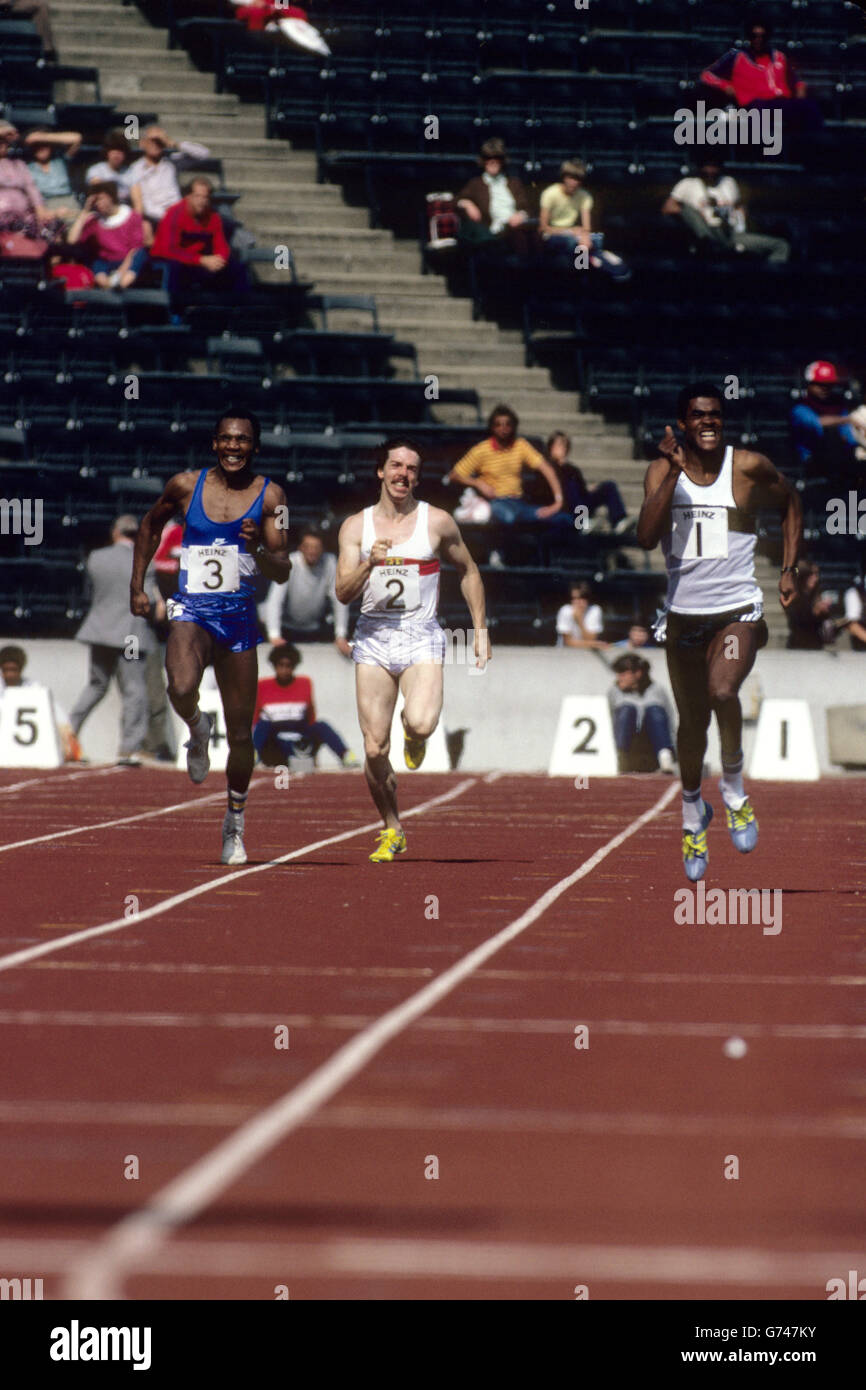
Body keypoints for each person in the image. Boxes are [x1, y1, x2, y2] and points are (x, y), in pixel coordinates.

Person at [636, 383, 802, 881]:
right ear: (682, 423)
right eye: (698, 415)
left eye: (716, 415)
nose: (708, 422)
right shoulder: (662, 471)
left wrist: (790, 569)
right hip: (684, 617)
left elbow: (792, 499)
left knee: (722, 689)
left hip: (737, 610)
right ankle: (692, 816)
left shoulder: (747, 467)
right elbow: (645, 537)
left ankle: (733, 789)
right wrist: (672, 475)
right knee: (691, 726)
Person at [130, 407, 291, 865]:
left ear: (255, 447)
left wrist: (258, 545)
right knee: (179, 687)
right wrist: (136, 585)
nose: (234, 447)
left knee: (241, 734)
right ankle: (198, 729)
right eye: (226, 439)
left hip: (238, 621)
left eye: (242, 440)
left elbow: (283, 570)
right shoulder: (185, 486)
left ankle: (234, 823)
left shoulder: (272, 496)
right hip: (192, 611)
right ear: (214, 443)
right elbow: (148, 525)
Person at [336, 438, 490, 862]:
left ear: (418, 478)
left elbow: (469, 569)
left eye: (411, 468)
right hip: (373, 637)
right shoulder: (355, 527)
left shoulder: (436, 522)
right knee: (372, 749)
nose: (403, 474)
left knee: (421, 724)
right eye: (396, 466)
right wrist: (370, 562)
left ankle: (412, 732)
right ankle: (392, 827)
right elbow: (342, 592)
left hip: (421, 634)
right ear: (381, 472)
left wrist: (480, 629)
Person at [69, 515, 164, 766]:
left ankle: (68, 735)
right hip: (130, 635)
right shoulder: (145, 560)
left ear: (115, 532)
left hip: (100, 632)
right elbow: (149, 602)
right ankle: (128, 748)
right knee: (134, 689)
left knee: (96, 686)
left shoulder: (96, 558)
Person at [699, 14, 822, 135]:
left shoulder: (779, 57)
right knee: (761, 116)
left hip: (780, 102)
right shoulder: (736, 56)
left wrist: (800, 87)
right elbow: (707, 75)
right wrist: (725, 86)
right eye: (754, 36)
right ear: (749, 37)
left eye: (763, 36)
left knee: (810, 107)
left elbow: (795, 81)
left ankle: (813, 149)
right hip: (754, 104)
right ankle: (767, 154)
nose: (759, 39)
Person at [445, 405, 566, 528]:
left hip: (518, 502)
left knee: (561, 519)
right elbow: (453, 475)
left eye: (507, 424)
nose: (503, 429)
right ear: (492, 427)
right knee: (509, 517)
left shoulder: (520, 445)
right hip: (496, 502)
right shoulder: (481, 450)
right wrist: (477, 483)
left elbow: (547, 470)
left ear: (513, 426)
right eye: (498, 425)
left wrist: (558, 502)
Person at [662, 159, 790, 264]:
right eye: (707, 166)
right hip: (706, 232)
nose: (711, 170)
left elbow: (739, 206)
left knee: (781, 246)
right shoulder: (688, 184)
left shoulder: (728, 182)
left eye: (714, 167)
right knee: (686, 209)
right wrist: (697, 215)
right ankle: (709, 245)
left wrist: (741, 219)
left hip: (731, 234)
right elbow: (668, 208)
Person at [253, 644, 357, 768]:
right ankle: (252, 757)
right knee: (263, 724)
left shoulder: (304, 683)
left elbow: (310, 718)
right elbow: (255, 721)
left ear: (294, 666)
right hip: (275, 741)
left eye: (289, 666)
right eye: (281, 665)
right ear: (274, 665)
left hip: (299, 738)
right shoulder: (263, 686)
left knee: (322, 725)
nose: (285, 670)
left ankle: (346, 756)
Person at [150, 176, 249, 299]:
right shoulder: (174, 214)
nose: (201, 201)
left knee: (237, 268)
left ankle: (238, 309)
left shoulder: (213, 217)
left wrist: (219, 260)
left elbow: (221, 245)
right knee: (174, 267)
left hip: (198, 261)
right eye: (197, 196)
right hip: (170, 260)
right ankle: (175, 311)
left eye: (205, 197)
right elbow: (169, 250)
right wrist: (201, 260)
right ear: (188, 197)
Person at [262, 526, 350, 655]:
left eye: (316, 547)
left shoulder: (330, 562)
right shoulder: (290, 563)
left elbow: (339, 599)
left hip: (315, 628)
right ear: (300, 548)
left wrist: (341, 635)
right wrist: (274, 635)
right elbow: (274, 601)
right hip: (287, 628)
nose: (312, 551)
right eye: (307, 546)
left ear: (323, 549)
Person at [538, 159, 630, 280]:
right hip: (554, 234)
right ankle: (588, 272)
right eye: (570, 178)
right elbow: (543, 228)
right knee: (575, 244)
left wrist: (585, 237)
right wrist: (572, 232)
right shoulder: (550, 193)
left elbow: (586, 227)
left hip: (576, 235)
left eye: (577, 179)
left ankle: (585, 274)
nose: (573, 183)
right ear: (563, 177)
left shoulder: (584, 196)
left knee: (594, 241)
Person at [0, 644, 81, 762]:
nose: (9, 675)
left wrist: (67, 732)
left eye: (14, 670)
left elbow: (56, 711)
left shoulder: (34, 687)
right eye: (6, 670)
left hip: (26, 740)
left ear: (21, 669)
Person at [456, 138, 533, 257]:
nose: (493, 161)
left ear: (502, 161)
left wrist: (520, 215)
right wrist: (468, 204)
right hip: (493, 232)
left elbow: (527, 208)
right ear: (483, 161)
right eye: (488, 158)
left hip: (514, 228)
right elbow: (456, 200)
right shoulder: (476, 183)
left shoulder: (514, 183)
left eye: (497, 158)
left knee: (527, 235)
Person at [66, 181, 150, 288]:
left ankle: (120, 286)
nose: (97, 203)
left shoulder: (132, 216)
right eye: (95, 201)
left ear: (111, 197)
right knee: (98, 263)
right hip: (107, 261)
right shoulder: (95, 221)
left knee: (140, 254)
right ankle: (108, 287)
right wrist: (85, 212)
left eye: (100, 199)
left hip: (128, 260)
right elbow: (71, 240)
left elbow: (135, 248)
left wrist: (120, 273)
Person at [127, 126, 211, 230]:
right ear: (143, 143)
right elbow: (145, 203)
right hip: (156, 221)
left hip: (180, 216)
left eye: (159, 141)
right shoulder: (136, 169)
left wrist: (173, 143)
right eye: (152, 140)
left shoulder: (171, 163)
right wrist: (168, 216)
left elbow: (204, 154)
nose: (156, 145)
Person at [0, 120, 64, 255]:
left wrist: (41, 210)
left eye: (5, 141)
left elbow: (32, 189)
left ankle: (45, 268)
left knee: (53, 225)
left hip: (21, 217)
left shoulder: (19, 164)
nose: (2, 144)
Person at [547, 430, 631, 533]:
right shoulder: (548, 467)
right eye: (560, 445)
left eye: (566, 445)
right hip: (564, 506)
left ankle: (619, 521)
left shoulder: (572, 468)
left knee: (609, 486)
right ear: (551, 447)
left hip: (580, 504)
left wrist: (589, 489)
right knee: (570, 485)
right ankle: (582, 523)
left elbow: (581, 489)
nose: (564, 448)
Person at [790, 361, 863, 476]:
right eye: (819, 384)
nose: (824, 388)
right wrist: (846, 420)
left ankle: (852, 492)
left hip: (840, 464)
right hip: (811, 467)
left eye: (828, 385)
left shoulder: (838, 407)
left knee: (853, 485)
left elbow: (848, 436)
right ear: (809, 384)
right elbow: (815, 423)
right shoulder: (800, 408)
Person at [608, 653, 676, 773]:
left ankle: (665, 757)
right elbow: (609, 720)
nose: (619, 678)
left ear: (638, 674)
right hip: (628, 745)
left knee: (654, 710)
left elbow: (669, 721)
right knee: (626, 709)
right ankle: (621, 759)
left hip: (653, 744)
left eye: (623, 674)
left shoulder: (657, 690)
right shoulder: (614, 691)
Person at [23, 129, 81, 217]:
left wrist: (43, 137)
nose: (41, 148)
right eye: (37, 145)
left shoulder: (60, 161)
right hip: (44, 205)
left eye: (44, 145)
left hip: (68, 200)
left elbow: (77, 139)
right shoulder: (27, 168)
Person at [784, 560, 835, 650]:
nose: (815, 578)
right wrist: (814, 611)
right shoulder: (794, 596)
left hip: (815, 644)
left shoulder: (816, 595)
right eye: (811, 575)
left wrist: (824, 612)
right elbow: (795, 621)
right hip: (798, 645)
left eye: (816, 574)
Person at [85, 129, 135, 203]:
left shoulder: (130, 172)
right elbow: (98, 194)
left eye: (120, 151)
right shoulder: (96, 170)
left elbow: (137, 200)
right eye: (113, 150)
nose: (116, 155)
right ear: (107, 152)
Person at [556, 581, 609, 650]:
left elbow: (591, 639)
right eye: (574, 598)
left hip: (587, 654)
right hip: (565, 653)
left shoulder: (595, 610)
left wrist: (580, 621)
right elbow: (568, 642)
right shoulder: (565, 611)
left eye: (582, 598)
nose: (578, 602)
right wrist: (595, 644)